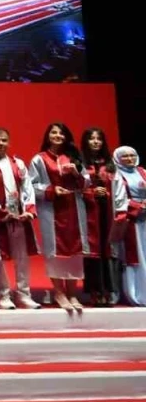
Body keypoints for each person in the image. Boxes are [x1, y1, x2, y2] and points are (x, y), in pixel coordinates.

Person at [0, 127, 41, 310]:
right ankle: (4, 295)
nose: (1, 143)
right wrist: (1, 212)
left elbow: (27, 188)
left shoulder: (18, 163)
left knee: (22, 257)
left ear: (9, 142)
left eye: (4, 140)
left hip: (19, 217)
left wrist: (28, 210)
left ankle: (24, 294)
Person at [29, 122, 90, 311]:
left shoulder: (74, 157)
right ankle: (59, 292)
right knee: (54, 252)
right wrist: (52, 190)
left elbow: (86, 183)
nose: (58, 136)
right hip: (51, 211)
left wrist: (76, 173)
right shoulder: (39, 160)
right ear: (48, 136)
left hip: (75, 209)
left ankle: (72, 293)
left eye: (61, 133)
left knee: (75, 253)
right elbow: (31, 185)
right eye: (54, 132)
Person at [82, 128, 118, 306]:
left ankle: (109, 290)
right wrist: (92, 192)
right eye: (92, 138)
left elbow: (119, 188)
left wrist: (108, 193)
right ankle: (94, 290)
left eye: (99, 139)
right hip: (89, 211)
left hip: (108, 210)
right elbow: (77, 187)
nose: (96, 142)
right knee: (92, 250)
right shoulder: (80, 162)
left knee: (107, 249)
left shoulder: (110, 164)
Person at [112, 146, 145, 306]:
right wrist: (137, 207)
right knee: (133, 256)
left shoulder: (143, 172)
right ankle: (135, 293)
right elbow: (116, 198)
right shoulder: (115, 175)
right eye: (125, 156)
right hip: (130, 220)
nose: (129, 159)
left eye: (132, 155)